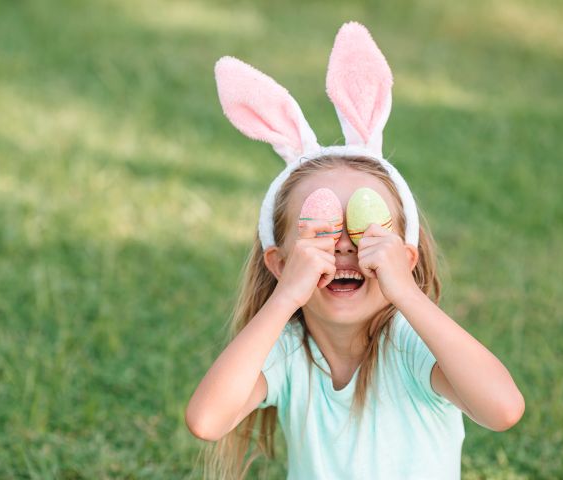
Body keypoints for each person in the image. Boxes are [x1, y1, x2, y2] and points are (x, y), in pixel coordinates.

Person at [185, 22, 524, 480]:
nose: (344, 244)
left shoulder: (411, 346)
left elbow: (503, 409)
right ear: (282, 263)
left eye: (365, 227)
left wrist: (407, 295)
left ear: (405, 258)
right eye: (320, 230)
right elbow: (206, 421)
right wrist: (284, 298)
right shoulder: (290, 355)